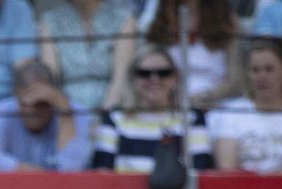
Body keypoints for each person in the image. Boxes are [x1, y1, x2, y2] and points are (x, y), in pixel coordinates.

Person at [210, 36, 282, 174]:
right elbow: (227, 168)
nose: (262, 77)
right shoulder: (230, 112)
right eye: (255, 70)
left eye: (269, 69)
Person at [91, 45, 213, 173]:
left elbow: (200, 172)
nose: (154, 79)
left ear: (175, 78)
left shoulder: (192, 118)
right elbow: (102, 172)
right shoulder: (114, 117)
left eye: (163, 73)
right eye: (144, 73)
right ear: (133, 78)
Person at [0, 59, 94, 171]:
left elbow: (73, 170)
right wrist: (42, 176)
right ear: (16, 97)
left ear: (54, 98)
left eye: (41, 103)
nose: (32, 110)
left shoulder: (75, 113)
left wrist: (65, 113)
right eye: (25, 103)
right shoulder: (5, 109)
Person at [38, 0, 136, 111]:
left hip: (113, 110)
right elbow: (51, 78)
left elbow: (121, 78)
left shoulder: (124, 18)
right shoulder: (49, 21)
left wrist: (104, 117)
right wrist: (69, 116)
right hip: (65, 112)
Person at [142, 0, 236, 109]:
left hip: (217, 106)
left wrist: (204, 97)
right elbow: (148, 71)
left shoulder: (227, 21)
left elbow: (236, 80)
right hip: (169, 107)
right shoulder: (160, 23)